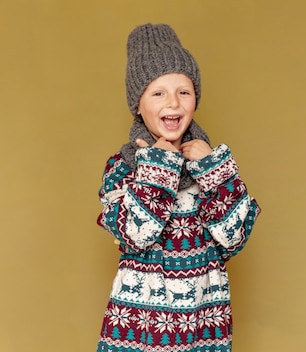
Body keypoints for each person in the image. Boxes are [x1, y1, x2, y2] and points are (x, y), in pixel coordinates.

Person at [95, 23, 261, 352]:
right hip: (140, 330)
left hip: (203, 326)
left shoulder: (212, 165)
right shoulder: (123, 168)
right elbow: (136, 234)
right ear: (138, 106)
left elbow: (234, 237)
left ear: (195, 100)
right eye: (158, 93)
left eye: (184, 92)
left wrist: (212, 169)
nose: (173, 102)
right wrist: (160, 166)